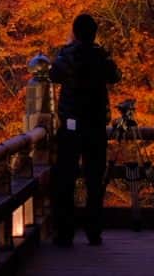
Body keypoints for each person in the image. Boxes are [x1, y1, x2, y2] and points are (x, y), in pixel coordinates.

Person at [49, 13, 121, 246]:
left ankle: (65, 232)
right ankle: (94, 231)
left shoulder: (65, 55)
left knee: (65, 180)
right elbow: (115, 76)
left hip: (70, 125)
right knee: (94, 180)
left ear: (75, 32)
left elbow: (53, 75)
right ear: (94, 32)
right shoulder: (101, 56)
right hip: (96, 125)